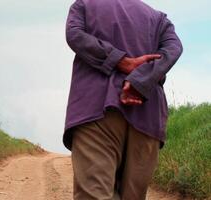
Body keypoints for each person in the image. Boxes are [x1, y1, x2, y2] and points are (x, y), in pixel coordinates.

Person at [63, 0, 183, 199]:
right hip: (148, 115)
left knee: (94, 194)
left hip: (96, 110)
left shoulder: (84, 5)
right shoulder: (160, 20)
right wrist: (141, 80)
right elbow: (174, 49)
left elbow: (74, 35)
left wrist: (120, 61)